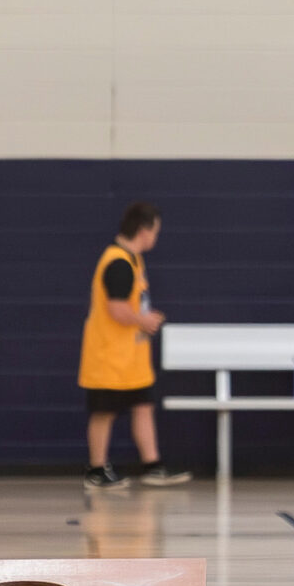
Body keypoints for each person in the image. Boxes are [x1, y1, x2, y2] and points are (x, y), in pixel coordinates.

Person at [79, 201, 190, 489]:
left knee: (143, 406)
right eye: (155, 231)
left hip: (131, 358)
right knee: (104, 412)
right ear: (143, 230)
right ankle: (96, 469)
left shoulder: (133, 260)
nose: (156, 237)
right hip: (108, 356)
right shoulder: (118, 262)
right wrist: (144, 320)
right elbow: (116, 309)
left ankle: (152, 465)